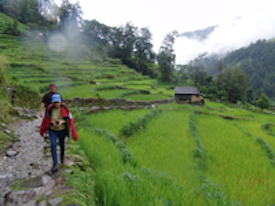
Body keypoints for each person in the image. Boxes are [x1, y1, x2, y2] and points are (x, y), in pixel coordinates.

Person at [40, 94, 78, 173]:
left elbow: (68, 119)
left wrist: (62, 121)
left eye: (58, 102)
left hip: (62, 130)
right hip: (52, 129)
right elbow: (46, 119)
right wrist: (52, 122)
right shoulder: (49, 109)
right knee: (53, 144)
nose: (56, 104)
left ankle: (62, 158)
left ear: (60, 102)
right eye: (55, 103)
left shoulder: (65, 109)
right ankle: (55, 163)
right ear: (52, 103)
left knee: (62, 145)